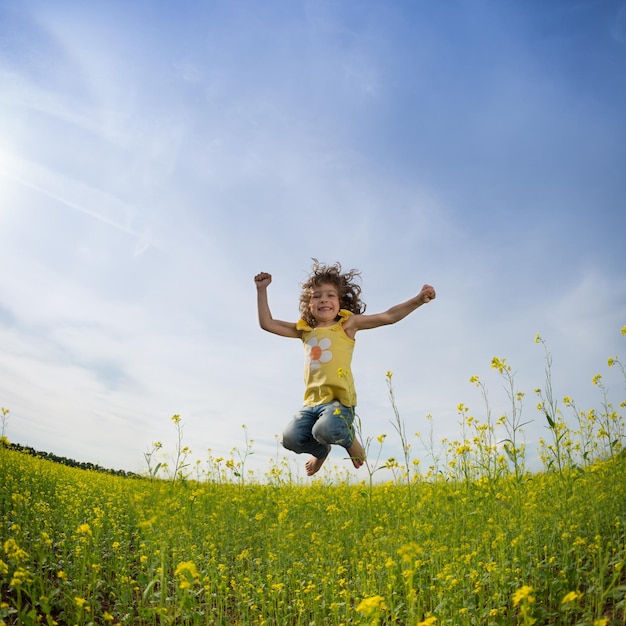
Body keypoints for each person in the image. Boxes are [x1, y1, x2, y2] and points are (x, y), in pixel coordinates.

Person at [254, 259, 436, 477]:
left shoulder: (347, 325)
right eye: (317, 296)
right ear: (308, 304)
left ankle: (349, 439)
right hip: (311, 404)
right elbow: (267, 323)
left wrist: (418, 300)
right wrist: (261, 290)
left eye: (330, 295)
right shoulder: (305, 330)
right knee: (290, 438)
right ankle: (321, 451)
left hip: (339, 403)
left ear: (340, 301)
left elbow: (388, 316)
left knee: (326, 429)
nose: (324, 300)